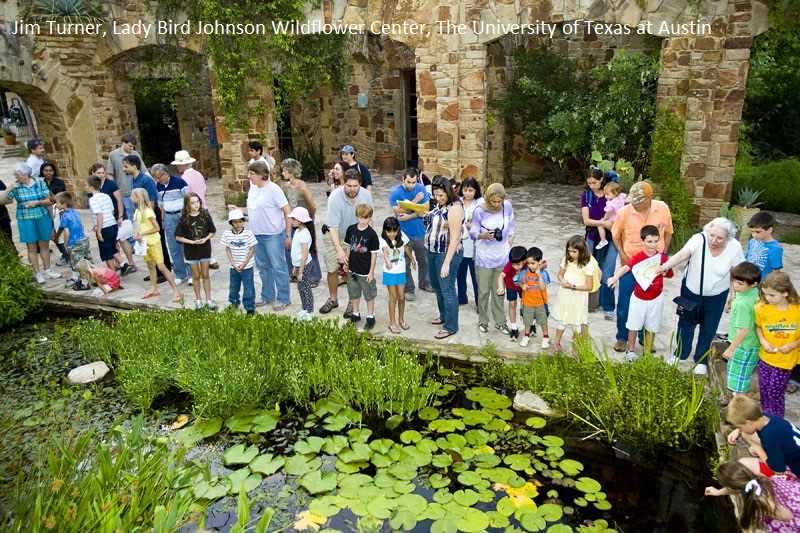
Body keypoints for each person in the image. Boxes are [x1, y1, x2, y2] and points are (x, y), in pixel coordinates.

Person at [657, 217, 743, 374]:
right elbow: (683, 254)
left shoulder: (734, 247)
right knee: (685, 324)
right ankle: (681, 354)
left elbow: (736, 272)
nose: (714, 240)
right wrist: (664, 266)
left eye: (720, 238)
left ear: (728, 238)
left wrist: (734, 294)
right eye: (712, 235)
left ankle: (701, 360)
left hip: (717, 295)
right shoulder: (699, 239)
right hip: (691, 291)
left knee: (709, 327)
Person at [611, 181, 673, 353]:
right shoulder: (624, 212)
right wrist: (623, 255)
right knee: (625, 302)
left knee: (650, 303)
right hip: (631, 265)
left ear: (650, 198)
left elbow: (668, 232)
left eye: (638, 201)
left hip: (654, 267)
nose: (634, 204)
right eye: (633, 200)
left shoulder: (662, 209)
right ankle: (622, 337)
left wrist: (664, 255)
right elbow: (615, 235)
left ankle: (645, 339)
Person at [227, 160, 292, 311]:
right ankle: (268, 296)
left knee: (278, 267)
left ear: (261, 175)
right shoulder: (253, 189)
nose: (249, 176)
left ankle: (283, 298)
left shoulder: (274, 190)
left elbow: (287, 211)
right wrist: (238, 209)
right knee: (263, 267)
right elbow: (252, 209)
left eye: (251, 173)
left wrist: (288, 235)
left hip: (273, 235)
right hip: (256, 235)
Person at [607, 225, 673, 363]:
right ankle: (630, 351)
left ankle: (647, 352)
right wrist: (615, 277)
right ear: (642, 241)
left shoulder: (662, 258)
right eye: (649, 241)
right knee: (633, 325)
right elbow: (626, 267)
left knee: (652, 326)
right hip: (639, 297)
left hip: (656, 298)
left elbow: (670, 274)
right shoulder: (639, 257)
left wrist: (665, 271)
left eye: (656, 241)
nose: (653, 245)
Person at [318, 169, 373, 315]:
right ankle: (333, 299)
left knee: (351, 272)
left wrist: (366, 242)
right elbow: (333, 226)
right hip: (335, 235)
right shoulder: (335, 197)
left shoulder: (366, 195)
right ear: (344, 184)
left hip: (356, 237)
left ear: (360, 184)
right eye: (349, 186)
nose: (352, 189)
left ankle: (351, 302)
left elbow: (369, 220)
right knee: (332, 270)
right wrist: (339, 250)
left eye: (355, 186)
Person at [0, 163, 60, 284]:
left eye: (18, 174)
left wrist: (37, 203)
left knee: (44, 245)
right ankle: (37, 273)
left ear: (25, 175)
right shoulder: (16, 187)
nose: (16, 177)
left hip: (42, 217)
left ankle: (47, 270)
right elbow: (2, 201)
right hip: (26, 219)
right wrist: (9, 189)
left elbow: (50, 200)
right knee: (31, 247)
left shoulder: (39, 183)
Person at [470, 183, 515, 336]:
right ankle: (483, 320)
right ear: (488, 198)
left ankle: (500, 322)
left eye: (499, 201)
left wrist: (511, 235)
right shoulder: (479, 211)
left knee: (499, 291)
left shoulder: (507, 206)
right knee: (483, 291)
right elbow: (473, 232)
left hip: (502, 256)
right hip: (484, 257)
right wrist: (483, 235)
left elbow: (511, 224)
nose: (497, 204)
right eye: (494, 201)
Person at [704, 460, 800, 532]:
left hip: (793, 515)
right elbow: (737, 485)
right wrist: (718, 492)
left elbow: (788, 516)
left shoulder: (761, 500)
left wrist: (762, 513)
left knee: (772, 525)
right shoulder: (758, 478)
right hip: (793, 496)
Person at [753, 272, 800, 417]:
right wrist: (763, 340)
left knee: (775, 392)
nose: (767, 298)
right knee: (765, 390)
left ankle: (776, 420)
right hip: (766, 357)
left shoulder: (797, 310)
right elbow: (758, 327)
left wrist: (792, 345)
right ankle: (767, 417)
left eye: (772, 295)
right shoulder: (762, 308)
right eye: (765, 294)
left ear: (785, 292)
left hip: (785, 361)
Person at [424, 175, 464, 340]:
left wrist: (447, 263)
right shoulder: (441, 205)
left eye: (441, 195)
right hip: (433, 251)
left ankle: (451, 326)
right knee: (437, 285)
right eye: (435, 195)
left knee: (447, 289)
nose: (438, 198)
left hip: (446, 254)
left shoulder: (454, 208)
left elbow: (455, 238)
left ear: (448, 192)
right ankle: (443, 315)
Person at [726, 394, 800, 478]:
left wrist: (757, 449)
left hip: (793, 469)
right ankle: (772, 456)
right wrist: (738, 430)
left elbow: (778, 471)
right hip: (794, 451)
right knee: (746, 434)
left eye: (739, 426)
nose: (739, 429)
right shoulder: (767, 417)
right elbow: (750, 427)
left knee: (743, 463)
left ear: (748, 423)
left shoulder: (769, 436)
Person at [131, 187, 182, 303]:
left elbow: (156, 228)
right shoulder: (137, 211)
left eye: (133, 196)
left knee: (161, 267)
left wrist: (142, 233)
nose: (131, 198)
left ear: (138, 198)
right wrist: (136, 234)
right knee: (150, 265)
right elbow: (138, 226)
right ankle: (153, 288)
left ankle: (176, 290)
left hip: (153, 242)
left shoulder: (148, 211)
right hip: (144, 243)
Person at [124, 154, 172, 276]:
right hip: (141, 214)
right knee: (146, 243)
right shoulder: (132, 180)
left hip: (149, 214)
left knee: (158, 242)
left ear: (134, 166)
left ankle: (164, 270)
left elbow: (152, 198)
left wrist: (147, 215)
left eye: (126, 166)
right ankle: (154, 271)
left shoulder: (146, 180)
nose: (124, 169)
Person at [388, 167, 431, 301]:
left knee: (423, 259)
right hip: (402, 234)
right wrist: (415, 202)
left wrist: (409, 215)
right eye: (408, 182)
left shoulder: (421, 188)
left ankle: (425, 282)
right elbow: (399, 212)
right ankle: (409, 289)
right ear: (403, 179)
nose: (411, 185)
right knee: (405, 262)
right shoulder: (395, 192)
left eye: (414, 182)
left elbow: (425, 210)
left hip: (418, 232)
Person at [721, 262, 762, 401]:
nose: (736, 286)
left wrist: (731, 349)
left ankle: (738, 407)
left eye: (740, 284)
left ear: (753, 284)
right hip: (751, 343)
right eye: (734, 282)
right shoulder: (751, 294)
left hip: (743, 346)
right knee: (740, 377)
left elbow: (743, 330)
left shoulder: (744, 304)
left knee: (739, 380)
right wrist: (732, 299)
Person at [581, 168, 617, 320]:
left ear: (602, 179)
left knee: (608, 272)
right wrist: (603, 223)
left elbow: (619, 215)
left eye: (594, 182)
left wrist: (609, 225)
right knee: (593, 270)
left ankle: (608, 305)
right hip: (592, 236)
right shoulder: (587, 196)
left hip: (612, 238)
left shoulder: (612, 195)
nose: (591, 186)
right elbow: (586, 220)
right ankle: (593, 303)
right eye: (589, 183)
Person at [88, 163, 137, 273]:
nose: (101, 175)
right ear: (93, 173)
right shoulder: (100, 194)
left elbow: (118, 201)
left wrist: (119, 216)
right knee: (112, 245)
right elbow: (105, 211)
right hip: (109, 220)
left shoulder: (110, 184)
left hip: (109, 221)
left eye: (102, 172)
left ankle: (126, 265)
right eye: (98, 173)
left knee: (117, 242)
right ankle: (122, 264)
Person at [551, 235, 596, 354]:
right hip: (565, 295)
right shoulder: (567, 260)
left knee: (577, 323)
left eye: (574, 252)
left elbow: (589, 286)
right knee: (562, 321)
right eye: (569, 251)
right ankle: (556, 342)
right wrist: (562, 280)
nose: (571, 254)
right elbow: (560, 274)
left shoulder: (587, 265)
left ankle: (576, 345)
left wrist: (574, 287)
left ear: (582, 251)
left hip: (579, 297)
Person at [280, 158, 321, 286]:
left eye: (284, 171)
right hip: (292, 221)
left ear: (291, 172)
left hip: (304, 221)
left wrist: (309, 219)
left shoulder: (302, 186)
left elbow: (312, 206)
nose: (282, 173)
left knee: (308, 248)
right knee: (289, 246)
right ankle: (293, 272)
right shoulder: (286, 186)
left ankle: (313, 276)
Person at [175, 193, 217, 310]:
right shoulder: (183, 219)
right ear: (187, 204)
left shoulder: (205, 216)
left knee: (205, 274)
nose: (196, 205)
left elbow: (212, 231)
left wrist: (206, 239)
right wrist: (191, 242)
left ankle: (208, 299)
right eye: (192, 203)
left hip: (204, 248)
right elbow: (178, 237)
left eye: (197, 202)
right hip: (191, 250)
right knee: (196, 275)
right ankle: (198, 299)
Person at [152, 163, 191, 284]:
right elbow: (161, 204)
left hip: (181, 215)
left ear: (165, 174)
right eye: (155, 178)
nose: (157, 180)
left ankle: (191, 274)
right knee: (173, 246)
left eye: (159, 177)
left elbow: (188, 200)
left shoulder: (180, 182)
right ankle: (180, 274)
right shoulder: (159, 186)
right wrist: (163, 219)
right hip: (169, 216)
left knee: (187, 246)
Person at [344, 204, 380, 330]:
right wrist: (346, 262)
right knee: (354, 293)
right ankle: (355, 313)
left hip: (365, 271)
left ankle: (370, 316)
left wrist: (371, 272)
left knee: (369, 294)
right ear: (357, 216)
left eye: (366, 218)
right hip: (353, 269)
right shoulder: (351, 230)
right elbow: (348, 246)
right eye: (361, 218)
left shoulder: (372, 234)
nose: (364, 221)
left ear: (370, 218)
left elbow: (374, 254)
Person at [380, 216, 416, 334]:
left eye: (394, 231)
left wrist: (412, 259)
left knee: (401, 297)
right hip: (390, 272)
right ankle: (392, 322)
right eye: (389, 231)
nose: (392, 234)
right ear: (385, 230)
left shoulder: (402, 236)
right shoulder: (383, 240)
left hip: (401, 271)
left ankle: (401, 319)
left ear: (398, 229)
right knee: (393, 297)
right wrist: (387, 261)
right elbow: (385, 252)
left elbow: (405, 248)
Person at [221, 209, 257, 315]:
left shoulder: (248, 233)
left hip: (247, 266)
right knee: (233, 286)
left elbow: (252, 249)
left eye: (240, 221)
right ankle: (234, 303)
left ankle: (249, 306)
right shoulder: (227, 234)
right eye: (235, 222)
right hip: (234, 267)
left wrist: (245, 263)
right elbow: (228, 250)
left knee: (249, 287)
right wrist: (233, 263)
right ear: (231, 223)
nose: (238, 224)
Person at [53, 192, 91, 290]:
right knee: (87, 260)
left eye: (57, 203)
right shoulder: (75, 212)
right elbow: (81, 226)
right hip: (83, 239)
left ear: (64, 204)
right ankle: (84, 278)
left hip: (75, 242)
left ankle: (84, 283)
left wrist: (65, 244)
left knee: (78, 263)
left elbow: (66, 232)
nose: (56, 205)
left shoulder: (65, 216)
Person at [518, 247, 551, 349]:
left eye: (533, 263)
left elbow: (542, 287)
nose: (530, 266)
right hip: (527, 302)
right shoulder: (524, 273)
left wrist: (539, 275)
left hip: (540, 302)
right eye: (528, 263)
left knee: (543, 321)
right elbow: (519, 282)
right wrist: (522, 286)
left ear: (539, 262)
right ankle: (526, 336)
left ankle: (546, 337)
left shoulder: (544, 274)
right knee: (527, 321)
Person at [457, 178, 483, 306]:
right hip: (460, 243)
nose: (467, 193)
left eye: (470, 190)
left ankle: (479, 302)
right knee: (460, 274)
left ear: (475, 191)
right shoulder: (457, 202)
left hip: (475, 246)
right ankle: (461, 297)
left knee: (476, 276)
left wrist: (472, 227)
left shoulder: (480, 203)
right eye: (465, 190)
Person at [288, 206, 317, 321]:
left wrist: (300, 272)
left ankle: (310, 311)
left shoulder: (304, 234)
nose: (291, 221)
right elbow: (296, 251)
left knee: (306, 288)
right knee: (301, 288)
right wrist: (295, 266)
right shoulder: (297, 232)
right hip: (299, 265)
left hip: (304, 265)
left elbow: (304, 255)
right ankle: (304, 309)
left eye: (293, 219)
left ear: (300, 221)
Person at [106, 133, 143, 222]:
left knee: (140, 215)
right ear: (123, 143)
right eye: (130, 146)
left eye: (133, 146)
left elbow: (143, 170)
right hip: (123, 191)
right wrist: (113, 190)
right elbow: (110, 174)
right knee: (129, 217)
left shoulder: (135, 154)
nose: (131, 148)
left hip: (137, 190)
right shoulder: (113, 155)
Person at [40, 161, 69, 266]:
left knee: (59, 232)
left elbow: (60, 197)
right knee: (51, 234)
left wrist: (51, 198)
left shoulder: (59, 182)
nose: (48, 173)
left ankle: (67, 254)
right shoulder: (40, 183)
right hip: (45, 210)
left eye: (50, 170)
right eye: (46, 170)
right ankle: (64, 254)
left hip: (58, 210)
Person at [496, 246, 527, 341]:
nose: (515, 267)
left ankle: (531, 323)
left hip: (524, 286)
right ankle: (514, 327)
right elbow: (501, 276)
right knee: (512, 304)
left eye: (518, 264)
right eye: (513, 264)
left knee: (526, 304)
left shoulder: (528, 264)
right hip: (511, 286)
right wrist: (501, 287)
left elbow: (541, 263)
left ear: (524, 260)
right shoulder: (510, 264)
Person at [746, 211, 783, 281]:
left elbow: (776, 271)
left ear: (769, 230)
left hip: (762, 284)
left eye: (758, 232)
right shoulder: (752, 242)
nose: (754, 235)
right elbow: (747, 260)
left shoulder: (776, 249)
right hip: (748, 281)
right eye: (752, 231)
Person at [596, 182, 626, 250]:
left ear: (615, 193)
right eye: (605, 194)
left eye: (607, 194)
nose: (605, 196)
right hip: (620, 220)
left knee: (600, 226)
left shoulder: (611, 204)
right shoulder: (620, 198)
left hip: (613, 220)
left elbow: (608, 213)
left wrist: (604, 219)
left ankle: (603, 240)